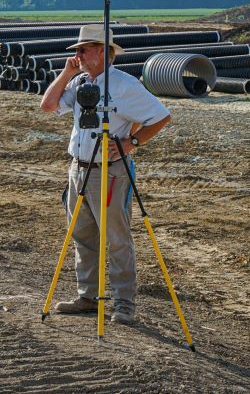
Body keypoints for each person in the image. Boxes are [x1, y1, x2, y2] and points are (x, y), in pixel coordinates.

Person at [40, 24, 171, 325]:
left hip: (110, 173)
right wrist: (66, 74)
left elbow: (161, 116)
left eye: (82, 50)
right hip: (79, 168)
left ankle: (124, 304)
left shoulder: (125, 86)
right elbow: (47, 106)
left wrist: (130, 143)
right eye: (77, 51)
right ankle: (88, 296)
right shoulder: (79, 82)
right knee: (83, 235)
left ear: (101, 51)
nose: (77, 55)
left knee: (117, 239)